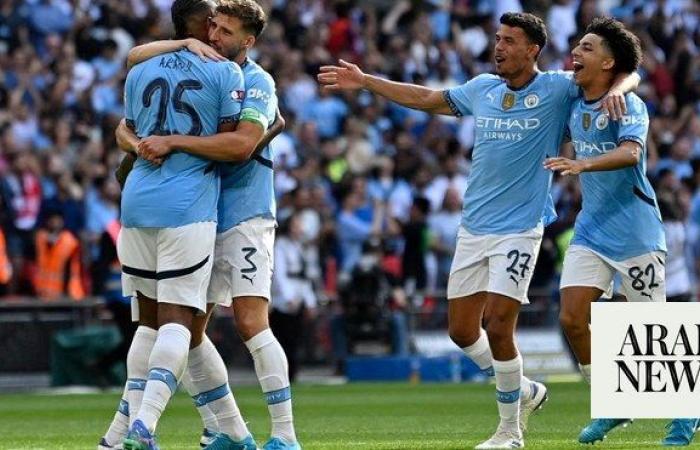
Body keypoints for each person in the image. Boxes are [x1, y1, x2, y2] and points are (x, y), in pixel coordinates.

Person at [318, 12, 640, 449]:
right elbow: (428, 98)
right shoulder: (481, 89)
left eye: (510, 40)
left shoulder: (558, 88)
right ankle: (524, 388)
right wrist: (367, 80)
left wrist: (620, 87)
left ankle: (510, 432)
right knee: (462, 331)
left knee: (499, 324)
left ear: (533, 50)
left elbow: (625, 72)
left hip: (521, 228)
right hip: (474, 227)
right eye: (497, 38)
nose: (499, 47)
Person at [111, 1, 300, 449]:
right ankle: (229, 429)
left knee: (251, 322)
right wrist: (142, 145)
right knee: (188, 330)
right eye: (213, 27)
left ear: (248, 41)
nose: (215, 36)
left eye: (226, 31)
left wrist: (170, 141)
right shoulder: (189, 65)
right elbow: (125, 122)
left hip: (244, 211)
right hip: (196, 212)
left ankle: (286, 436)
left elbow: (243, 143)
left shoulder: (255, 80)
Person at [544, 17, 698, 447]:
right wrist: (620, 82)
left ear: (608, 61)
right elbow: (632, 72)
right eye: (578, 45)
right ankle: (615, 400)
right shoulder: (577, 96)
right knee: (573, 319)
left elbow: (632, 154)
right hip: (591, 229)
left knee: (651, 331)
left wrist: (582, 164)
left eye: (587, 48)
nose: (576, 52)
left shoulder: (629, 106)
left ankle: (687, 413)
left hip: (635, 231)